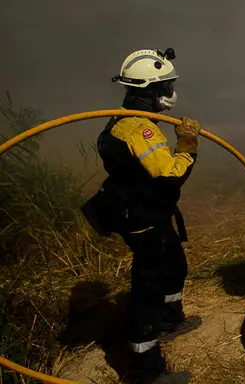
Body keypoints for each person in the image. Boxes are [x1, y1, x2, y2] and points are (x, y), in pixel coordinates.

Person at [80, 48, 202, 383]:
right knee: (148, 286)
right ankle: (144, 368)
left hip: (145, 211)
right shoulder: (139, 129)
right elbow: (170, 175)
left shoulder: (125, 120)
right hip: (142, 217)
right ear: (149, 91)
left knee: (175, 263)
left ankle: (168, 318)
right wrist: (188, 145)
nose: (171, 93)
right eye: (166, 87)